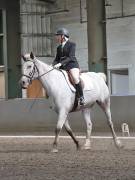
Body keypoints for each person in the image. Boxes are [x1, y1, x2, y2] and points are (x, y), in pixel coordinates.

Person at [52, 27, 85, 106]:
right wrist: (52, 65)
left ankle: (81, 97)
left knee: (75, 78)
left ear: (63, 36)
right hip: (62, 67)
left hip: (72, 65)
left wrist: (60, 64)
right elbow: (56, 59)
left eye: (58, 36)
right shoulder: (59, 47)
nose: (56, 37)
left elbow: (70, 57)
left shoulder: (72, 44)